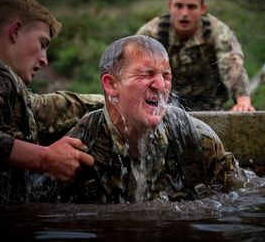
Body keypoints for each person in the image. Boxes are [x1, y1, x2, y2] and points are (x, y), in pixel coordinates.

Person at [59, 35, 247, 204]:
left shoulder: (196, 140)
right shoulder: (79, 148)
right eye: (146, 74)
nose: (161, 86)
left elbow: (242, 201)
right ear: (111, 84)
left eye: (166, 76)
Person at [0, 0, 104, 203]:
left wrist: (112, 99)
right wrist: (45, 158)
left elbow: (48, 107)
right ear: (15, 31)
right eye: (42, 44)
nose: (44, 60)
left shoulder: (6, 85)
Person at [136, 0, 255, 112]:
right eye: (179, 6)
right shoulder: (151, 32)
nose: (184, 13)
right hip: (162, 106)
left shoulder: (217, 31)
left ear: (202, 9)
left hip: (210, 107)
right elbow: (132, 67)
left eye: (191, 7)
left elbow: (231, 64)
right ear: (170, 6)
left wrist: (242, 99)